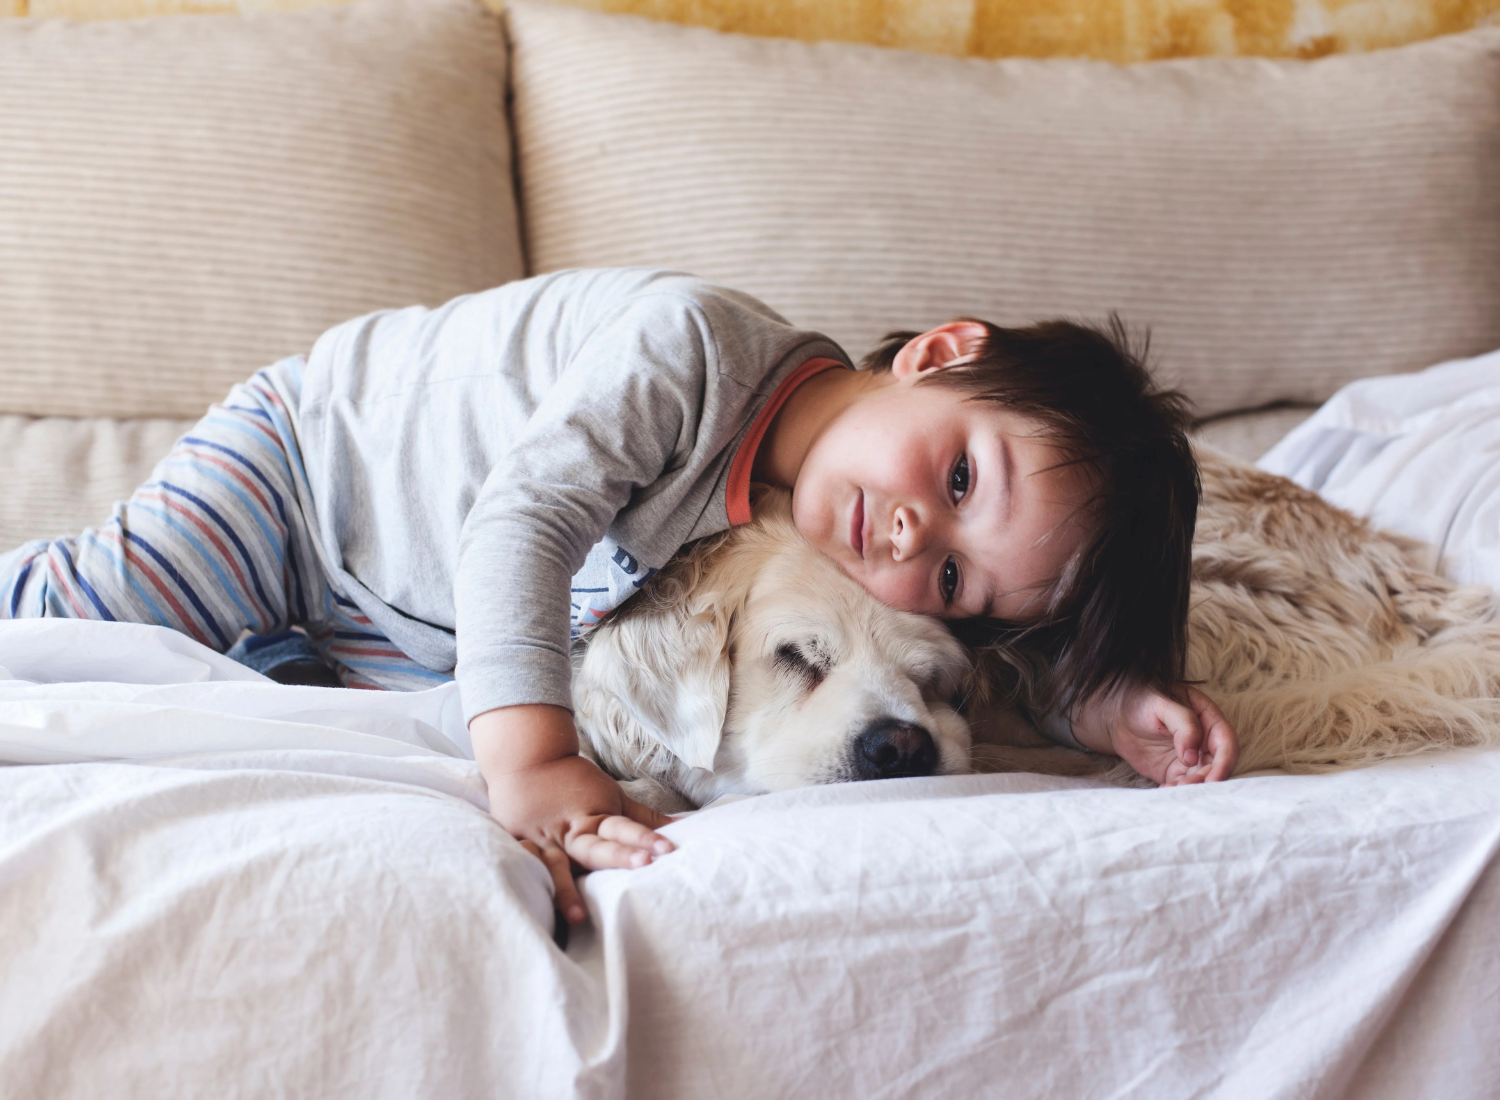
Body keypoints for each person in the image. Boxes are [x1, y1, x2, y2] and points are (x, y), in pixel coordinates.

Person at [0, 268, 1236, 924]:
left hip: (404, 620)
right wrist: (533, 759)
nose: (918, 535)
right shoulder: (690, 351)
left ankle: (284, 652)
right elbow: (521, 525)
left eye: (957, 570)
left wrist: (1103, 701)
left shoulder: (833, 537)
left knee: (298, 685)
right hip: (319, 472)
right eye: (960, 471)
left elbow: (957, 653)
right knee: (99, 613)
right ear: (936, 352)